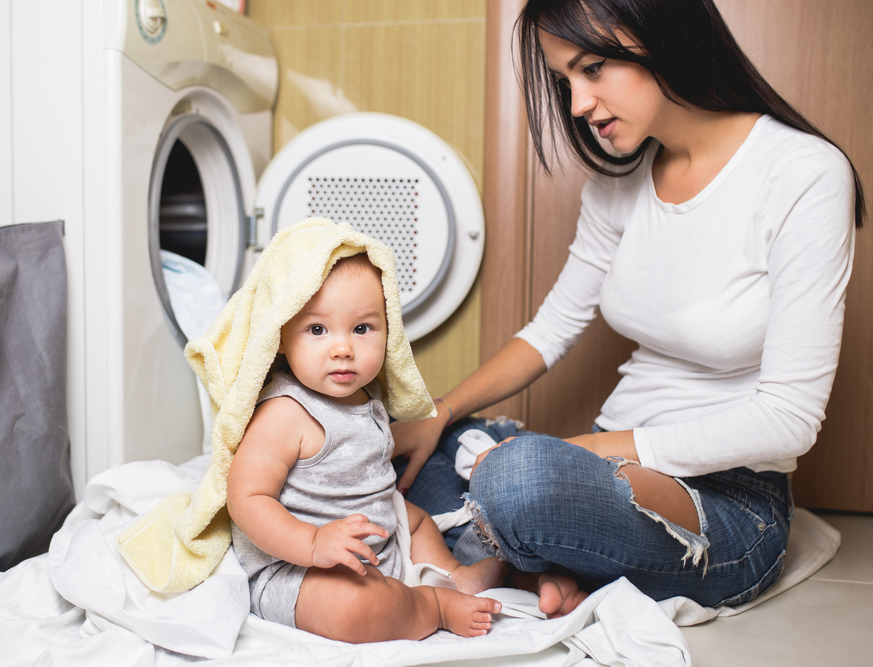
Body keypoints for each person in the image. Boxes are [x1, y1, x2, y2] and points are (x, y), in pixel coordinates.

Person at [391, 0, 865, 620]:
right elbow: (550, 331)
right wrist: (440, 413)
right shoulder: (617, 186)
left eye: (591, 69)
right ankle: (544, 554)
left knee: (514, 480)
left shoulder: (802, 174)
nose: (577, 104)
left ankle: (520, 550)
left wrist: (591, 448)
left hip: (725, 503)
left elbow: (788, 420)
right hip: (601, 469)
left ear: (659, 32)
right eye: (564, 81)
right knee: (406, 449)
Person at [226, 249, 505, 643]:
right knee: (351, 608)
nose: (343, 349)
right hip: (299, 569)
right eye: (318, 330)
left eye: (362, 329)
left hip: (375, 541)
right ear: (282, 336)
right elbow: (247, 498)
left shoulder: (366, 397)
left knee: (417, 518)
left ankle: (452, 576)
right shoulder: (284, 413)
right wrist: (312, 543)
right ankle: (432, 606)